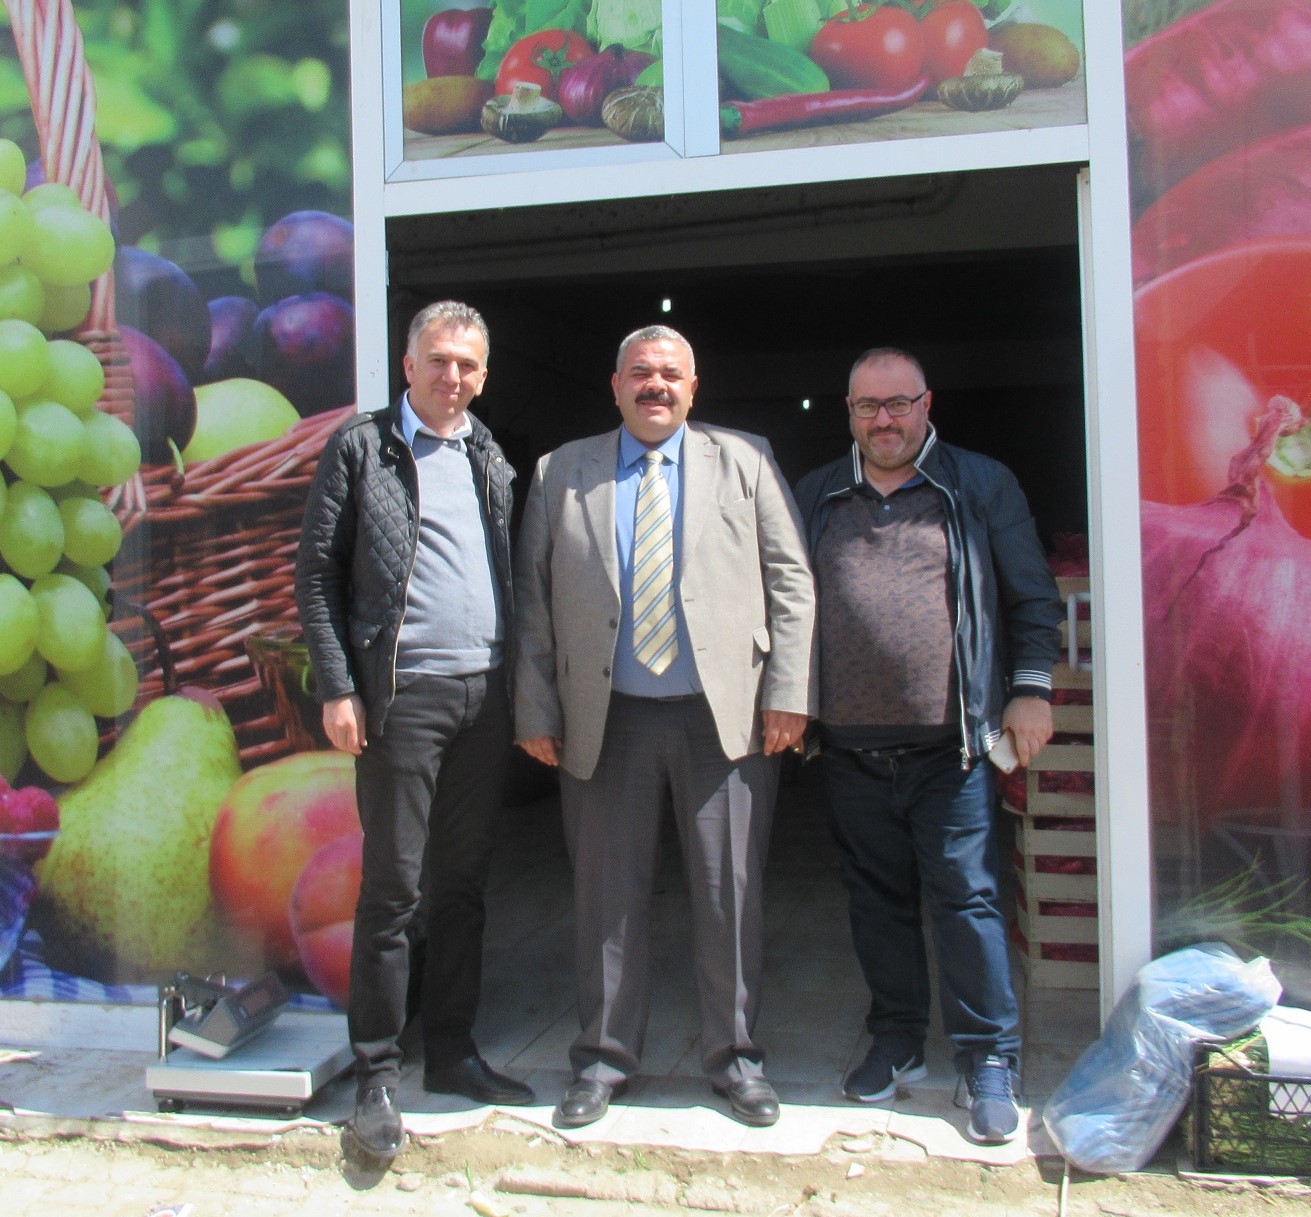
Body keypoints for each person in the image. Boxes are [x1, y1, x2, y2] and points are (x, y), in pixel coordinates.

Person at [514, 325, 816, 1129]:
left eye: (670, 374)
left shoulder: (743, 461)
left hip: (724, 723)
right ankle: (604, 1060)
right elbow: (534, 605)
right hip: (604, 722)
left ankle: (737, 1060)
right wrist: (535, 709)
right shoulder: (559, 471)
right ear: (613, 385)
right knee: (606, 900)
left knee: (730, 897)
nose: (656, 386)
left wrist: (787, 693)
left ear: (694, 386)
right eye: (640, 373)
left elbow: (790, 580)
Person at [794, 347, 1064, 1145]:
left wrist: (1030, 688)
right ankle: (897, 1038)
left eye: (898, 403)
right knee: (875, 903)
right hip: (847, 748)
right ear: (847, 412)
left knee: (966, 900)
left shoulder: (978, 484)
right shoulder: (815, 494)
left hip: (954, 750)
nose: (883, 419)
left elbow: (1032, 596)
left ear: (925, 404)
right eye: (867, 406)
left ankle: (988, 1058)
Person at [295, 300, 533, 1163]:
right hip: (401, 702)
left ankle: (455, 1052)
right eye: (438, 360)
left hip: (483, 696)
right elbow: (317, 575)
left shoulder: (487, 454)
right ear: (407, 364)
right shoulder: (363, 448)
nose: (453, 377)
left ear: (483, 371)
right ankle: (376, 1076)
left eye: (468, 363)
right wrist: (336, 686)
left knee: (463, 886)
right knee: (391, 894)